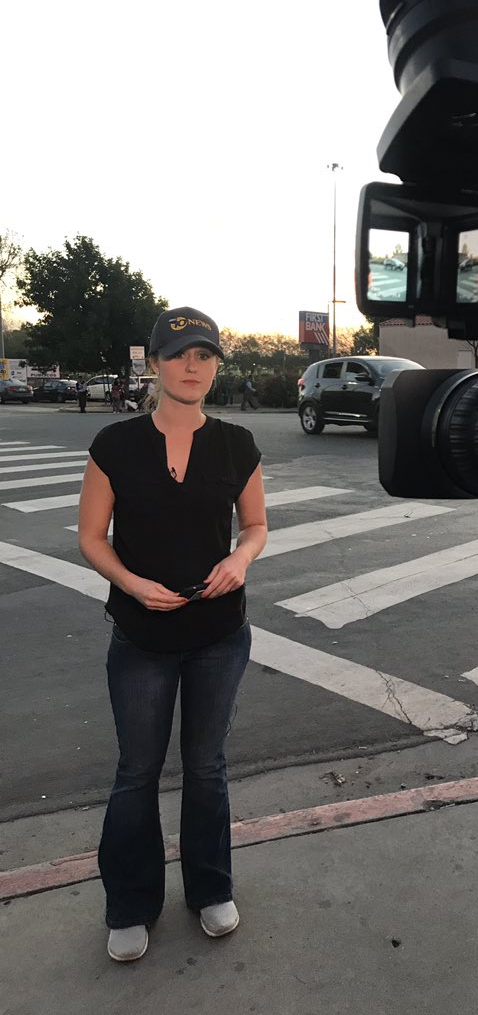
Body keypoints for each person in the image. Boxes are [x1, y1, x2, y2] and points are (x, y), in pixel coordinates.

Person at [78, 305, 268, 963]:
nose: (194, 366)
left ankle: (211, 888)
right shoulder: (115, 446)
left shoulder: (237, 444)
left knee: (207, 768)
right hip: (141, 638)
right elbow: (89, 536)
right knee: (136, 772)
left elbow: (256, 527)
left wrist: (239, 562)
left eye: (206, 355)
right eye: (181, 354)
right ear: (154, 364)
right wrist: (131, 584)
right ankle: (131, 903)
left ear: (216, 366)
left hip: (219, 634)